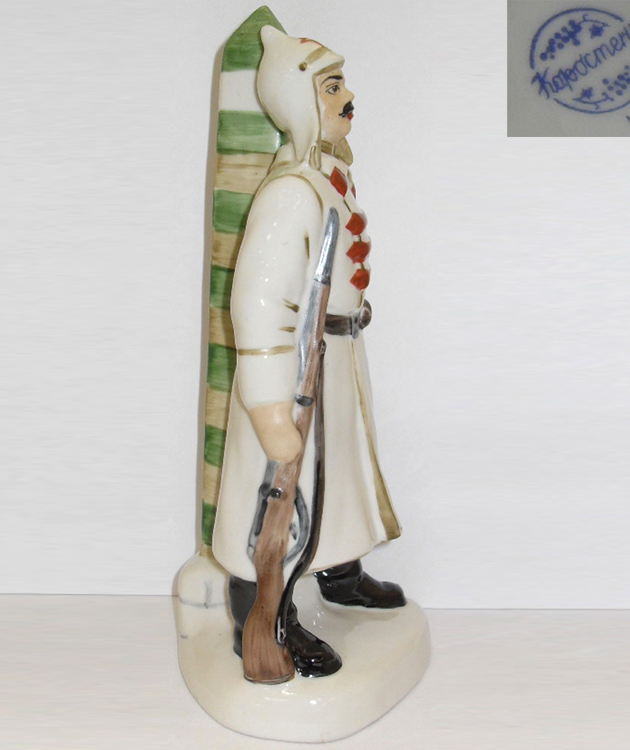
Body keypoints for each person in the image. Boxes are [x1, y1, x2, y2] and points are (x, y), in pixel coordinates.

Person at [212, 26, 405, 679]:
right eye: (331, 86)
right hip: (294, 369)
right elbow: (260, 302)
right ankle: (261, 616)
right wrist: (270, 407)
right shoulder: (292, 191)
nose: (347, 97)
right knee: (274, 495)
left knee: (338, 473)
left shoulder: (329, 179)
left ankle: (339, 571)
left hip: (336, 355)